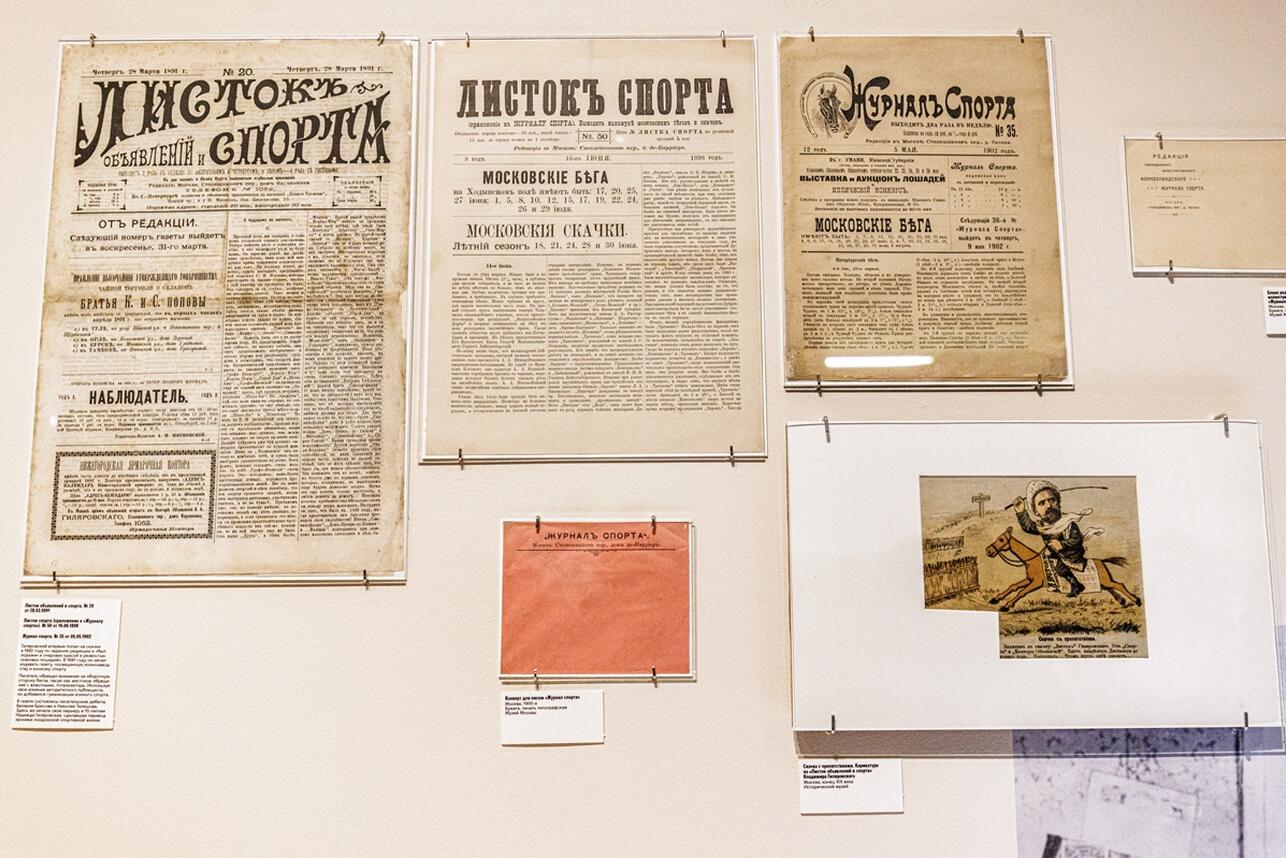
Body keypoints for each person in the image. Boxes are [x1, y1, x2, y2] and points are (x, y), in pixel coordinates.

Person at [1012, 480, 1102, 598]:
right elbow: (1028, 527)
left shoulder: (1068, 522)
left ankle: (1077, 586)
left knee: (1060, 569)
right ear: (1036, 512)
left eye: (1052, 500)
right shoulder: (1042, 526)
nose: (1049, 505)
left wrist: (1062, 544)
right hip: (1055, 553)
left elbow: (1077, 540)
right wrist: (1021, 511)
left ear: (1058, 503)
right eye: (1042, 503)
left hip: (1071, 553)